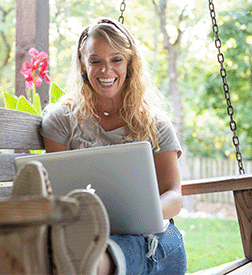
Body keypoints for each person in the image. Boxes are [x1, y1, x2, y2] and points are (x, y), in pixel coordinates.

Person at [39, 17, 187, 274]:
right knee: (97, 245)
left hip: (154, 235)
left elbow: (173, 196)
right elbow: (58, 194)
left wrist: (140, 217)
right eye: (95, 61)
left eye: (116, 60)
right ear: (83, 65)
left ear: (129, 64)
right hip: (86, 232)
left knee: (136, 245)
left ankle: (96, 264)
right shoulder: (61, 121)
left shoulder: (155, 124)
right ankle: (94, 262)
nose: (106, 71)